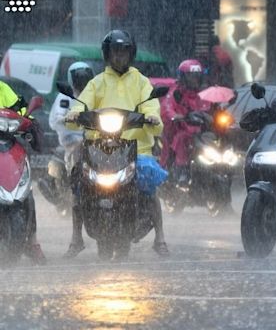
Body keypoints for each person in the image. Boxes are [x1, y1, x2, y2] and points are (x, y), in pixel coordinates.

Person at [66, 29, 170, 258]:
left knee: (149, 185)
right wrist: (74, 114)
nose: (119, 56)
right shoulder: (97, 82)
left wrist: (152, 117)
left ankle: (160, 238)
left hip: (136, 147)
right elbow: (82, 104)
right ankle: (76, 239)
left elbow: (151, 105)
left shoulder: (142, 83)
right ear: (108, 54)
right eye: (115, 51)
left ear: (130, 54)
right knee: (78, 181)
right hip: (99, 147)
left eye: (124, 52)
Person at [47, 61, 94, 259]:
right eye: (78, 76)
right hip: (74, 146)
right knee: (78, 190)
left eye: (85, 76)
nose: (82, 80)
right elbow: (55, 119)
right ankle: (77, 238)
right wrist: (70, 118)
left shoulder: (96, 94)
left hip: (99, 145)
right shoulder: (65, 98)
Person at [0, 80, 46, 265]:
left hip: (5, 143)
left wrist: (29, 121)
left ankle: (32, 241)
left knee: (25, 191)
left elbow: (20, 111)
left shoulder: (2, 88)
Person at [161, 59, 211, 186]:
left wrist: (210, 116)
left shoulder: (204, 93)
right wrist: (177, 116)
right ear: (183, 77)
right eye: (191, 76)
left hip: (201, 134)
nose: (194, 79)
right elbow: (167, 108)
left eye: (197, 76)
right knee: (182, 139)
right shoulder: (175, 92)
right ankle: (182, 170)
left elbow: (209, 108)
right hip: (180, 130)